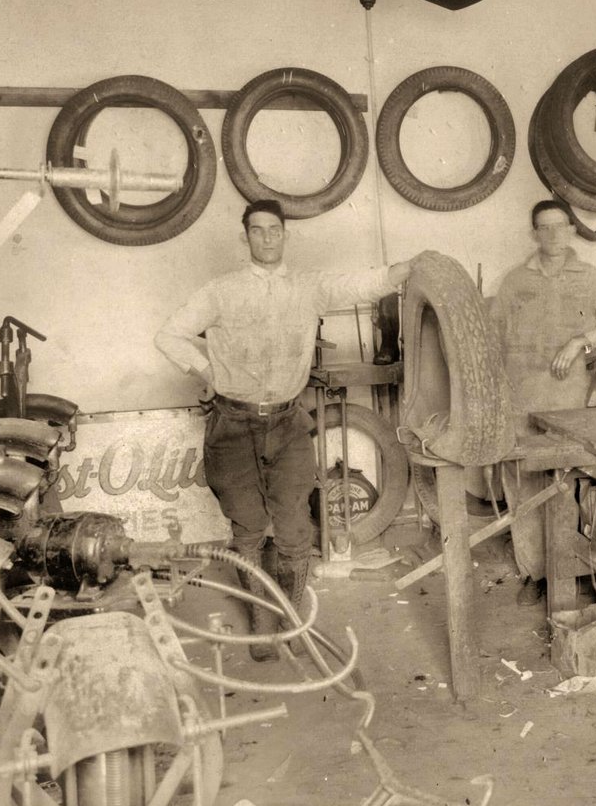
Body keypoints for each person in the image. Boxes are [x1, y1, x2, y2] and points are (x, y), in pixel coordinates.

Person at [156, 200, 415, 659]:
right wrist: (209, 373)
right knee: (248, 531)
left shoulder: (307, 288)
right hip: (233, 425)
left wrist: (400, 272)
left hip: (288, 423)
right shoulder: (221, 292)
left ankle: (292, 621)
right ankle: (262, 620)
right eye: (257, 231)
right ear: (246, 238)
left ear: (284, 235)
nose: (267, 238)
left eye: (273, 230)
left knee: (295, 529)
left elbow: (355, 284)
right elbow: (169, 334)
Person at [489, 200, 596, 605]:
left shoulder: (591, 278)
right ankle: (535, 574)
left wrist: (580, 342)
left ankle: (582, 570)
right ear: (533, 234)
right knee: (524, 488)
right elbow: (491, 340)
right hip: (521, 402)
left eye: (560, 226)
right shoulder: (514, 281)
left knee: (576, 485)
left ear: (572, 230)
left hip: (572, 405)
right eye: (544, 227)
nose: (553, 234)